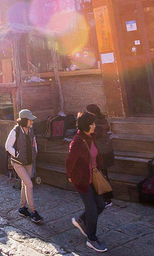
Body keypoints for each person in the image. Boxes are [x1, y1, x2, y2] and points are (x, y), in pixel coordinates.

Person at [66, 112, 108, 253]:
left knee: (101, 205)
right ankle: (92, 238)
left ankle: (80, 219)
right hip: (82, 180)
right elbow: (69, 161)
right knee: (92, 210)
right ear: (86, 126)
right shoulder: (78, 140)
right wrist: (71, 176)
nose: (95, 126)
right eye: (93, 124)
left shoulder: (91, 136)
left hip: (94, 178)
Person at [5, 109, 43, 224]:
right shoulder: (15, 131)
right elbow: (8, 146)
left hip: (29, 162)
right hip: (18, 163)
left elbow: (34, 142)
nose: (32, 121)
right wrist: (16, 154)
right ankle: (33, 211)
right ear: (24, 120)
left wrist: (35, 151)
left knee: (25, 183)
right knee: (29, 184)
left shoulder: (31, 130)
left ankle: (22, 208)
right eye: (30, 119)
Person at [87, 104, 115, 206]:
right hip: (106, 151)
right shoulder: (102, 121)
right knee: (103, 175)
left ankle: (107, 199)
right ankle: (106, 198)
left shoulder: (97, 125)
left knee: (101, 177)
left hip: (101, 153)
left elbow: (91, 136)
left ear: (93, 113)